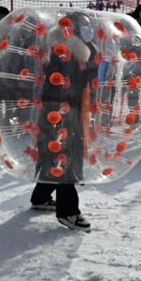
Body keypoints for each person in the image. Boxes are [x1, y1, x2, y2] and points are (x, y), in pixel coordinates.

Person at [30, 13, 95, 232]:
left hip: (59, 112)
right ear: (73, 31)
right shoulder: (64, 54)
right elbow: (64, 86)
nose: (88, 31)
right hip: (60, 114)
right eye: (84, 27)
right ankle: (68, 212)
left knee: (52, 155)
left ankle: (41, 196)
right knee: (65, 157)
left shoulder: (71, 52)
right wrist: (88, 76)